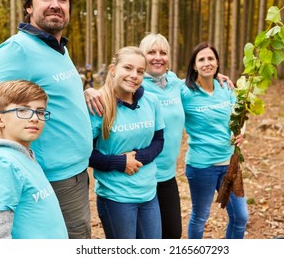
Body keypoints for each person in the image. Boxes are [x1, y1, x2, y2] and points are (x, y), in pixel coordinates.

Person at [0, 0, 93, 239]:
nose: (55, 4)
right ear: (29, 7)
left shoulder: (57, 49)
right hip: (51, 180)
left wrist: (87, 92)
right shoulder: (17, 49)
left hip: (76, 174)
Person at [85, 33, 234, 239]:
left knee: (171, 234)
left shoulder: (175, 84)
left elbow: (199, 84)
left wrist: (214, 76)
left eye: (163, 52)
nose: (158, 57)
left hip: (164, 174)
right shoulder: (133, 86)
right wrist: (88, 91)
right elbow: (109, 95)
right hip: (127, 180)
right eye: (151, 52)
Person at [0, 80, 68, 239]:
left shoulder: (23, 156)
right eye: (23, 110)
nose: (34, 118)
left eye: (40, 111)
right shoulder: (1, 164)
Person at [88, 46, 165, 239]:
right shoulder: (98, 106)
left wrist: (141, 157)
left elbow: (158, 140)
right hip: (116, 196)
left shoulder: (151, 101)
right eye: (128, 68)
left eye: (140, 71)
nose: (134, 76)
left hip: (148, 192)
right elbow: (85, 153)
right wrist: (119, 163)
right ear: (113, 70)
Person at [181, 42, 248, 239]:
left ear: (217, 63)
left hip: (230, 164)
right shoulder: (185, 92)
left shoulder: (226, 87)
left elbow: (239, 115)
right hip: (202, 166)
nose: (206, 63)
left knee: (240, 217)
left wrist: (241, 132)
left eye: (211, 58)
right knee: (201, 217)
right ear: (194, 66)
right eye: (201, 59)